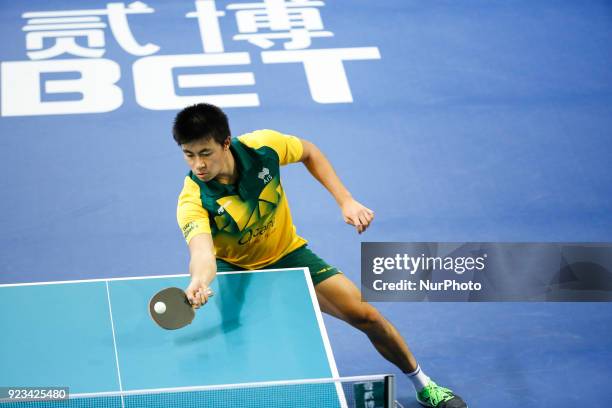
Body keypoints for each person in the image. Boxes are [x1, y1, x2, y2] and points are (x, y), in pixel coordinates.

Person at [173, 103, 467, 408]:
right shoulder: (192, 199)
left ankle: (424, 385)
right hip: (236, 269)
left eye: (205, 153)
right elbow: (202, 252)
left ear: (226, 143)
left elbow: (309, 152)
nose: (198, 165)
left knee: (367, 316)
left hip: (287, 254)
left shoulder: (263, 147)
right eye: (188, 154)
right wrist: (199, 279)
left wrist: (346, 200)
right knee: (244, 346)